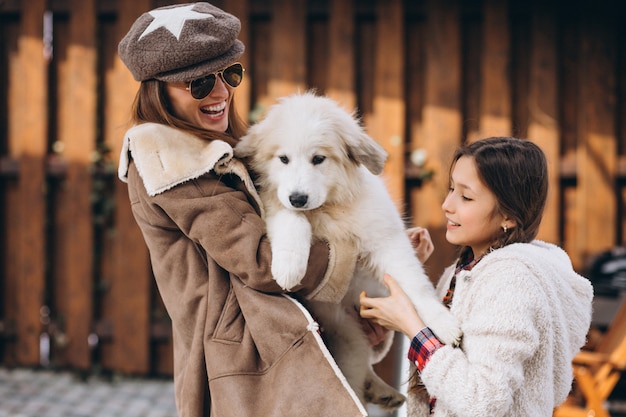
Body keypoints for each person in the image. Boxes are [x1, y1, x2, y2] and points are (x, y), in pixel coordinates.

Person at [116, 3, 366, 416]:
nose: (220, 93)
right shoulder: (170, 157)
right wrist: (358, 254)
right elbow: (264, 263)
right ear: (159, 89)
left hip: (275, 342)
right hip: (236, 363)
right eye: (198, 84)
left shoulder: (224, 148)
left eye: (230, 74)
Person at [360, 137, 594, 417]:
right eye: (451, 189)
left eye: (466, 197)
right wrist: (398, 311)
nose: (447, 205)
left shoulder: (511, 280)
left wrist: (412, 326)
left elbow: (482, 401)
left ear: (508, 214)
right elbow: (447, 362)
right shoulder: (464, 271)